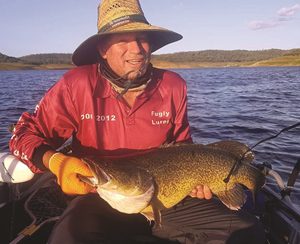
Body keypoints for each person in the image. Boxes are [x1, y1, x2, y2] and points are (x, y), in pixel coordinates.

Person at [9, 0, 265, 243]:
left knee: (245, 230)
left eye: (142, 39)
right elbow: (22, 135)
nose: (137, 49)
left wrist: (199, 183)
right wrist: (56, 160)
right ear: (102, 49)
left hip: (169, 199)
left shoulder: (173, 85)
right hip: (100, 197)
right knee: (70, 238)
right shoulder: (76, 84)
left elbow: (185, 149)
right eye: (123, 40)